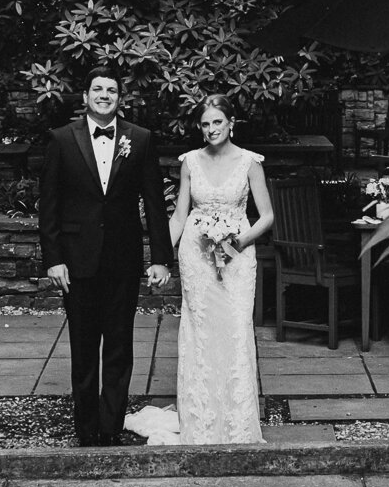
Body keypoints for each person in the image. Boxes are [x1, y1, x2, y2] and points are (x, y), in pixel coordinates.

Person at [37, 70, 173, 446]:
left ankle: (111, 427)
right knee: (82, 350)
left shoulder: (139, 139)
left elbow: (155, 203)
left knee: (118, 346)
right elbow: (49, 205)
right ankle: (85, 429)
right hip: (76, 262)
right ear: (85, 96)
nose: (104, 95)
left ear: (119, 98)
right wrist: (54, 259)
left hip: (122, 260)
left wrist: (160, 258)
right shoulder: (61, 140)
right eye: (97, 89)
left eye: (111, 90)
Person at [161, 94, 271, 444]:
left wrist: (236, 242)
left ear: (231, 123)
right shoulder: (190, 161)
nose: (211, 129)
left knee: (236, 328)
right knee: (201, 331)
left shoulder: (250, 163)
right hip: (196, 256)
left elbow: (266, 216)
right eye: (206, 124)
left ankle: (237, 422)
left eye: (217, 122)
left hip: (237, 257)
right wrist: (161, 256)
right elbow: (179, 215)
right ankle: (202, 421)